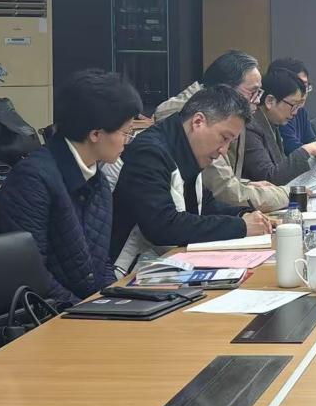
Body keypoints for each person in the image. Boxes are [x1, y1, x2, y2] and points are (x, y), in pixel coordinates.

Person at [0, 70, 142, 307]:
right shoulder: (32, 180)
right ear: (96, 134)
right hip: (39, 317)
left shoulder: (97, 179)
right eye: (126, 132)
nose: (128, 141)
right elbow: (30, 276)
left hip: (79, 311)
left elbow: (100, 264)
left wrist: (117, 303)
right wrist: (87, 311)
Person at [112, 86, 271, 275]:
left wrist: (245, 214)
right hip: (129, 273)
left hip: (169, 265)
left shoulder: (186, 147)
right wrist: (241, 227)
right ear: (198, 122)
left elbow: (207, 205)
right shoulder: (149, 153)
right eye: (224, 138)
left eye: (230, 143)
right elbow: (163, 225)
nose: (223, 150)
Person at [155, 50, 288, 212]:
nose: (258, 100)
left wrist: (245, 184)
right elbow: (226, 193)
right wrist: (289, 194)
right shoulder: (206, 119)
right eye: (253, 92)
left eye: (259, 92)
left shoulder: (222, 113)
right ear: (225, 90)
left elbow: (216, 187)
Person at [242, 65, 316, 185]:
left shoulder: (272, 122)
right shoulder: (251, 128)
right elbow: (269, 177)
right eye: (293, 105)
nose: (295, 112)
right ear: (270, 101)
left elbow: (280, 165)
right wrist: (304, 151)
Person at [270, 57, 316, 155]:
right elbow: (293, 149)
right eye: (298, 86)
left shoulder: (301, 111)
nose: (303, 93)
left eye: (305, 86)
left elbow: (313, 144)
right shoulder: (279, 117)